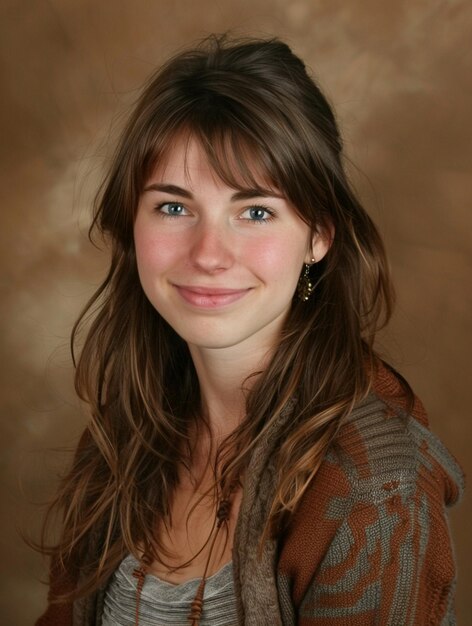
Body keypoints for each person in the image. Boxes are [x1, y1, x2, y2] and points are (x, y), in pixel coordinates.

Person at [35, 35, 464, 626]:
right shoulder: (126, 427)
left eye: (256, 212)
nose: (209, 254)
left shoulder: (377, 489)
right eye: (173, 207)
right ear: (130, 224)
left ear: (319, 237)